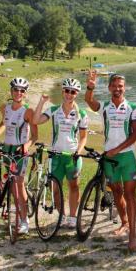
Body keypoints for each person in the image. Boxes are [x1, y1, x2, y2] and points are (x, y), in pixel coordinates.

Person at [85, 71, 136, 251]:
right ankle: (124, 222)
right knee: (116, 191)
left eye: (121, 86)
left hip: (126, 157)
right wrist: (90, 87)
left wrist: (117, 149)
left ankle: (133, 234)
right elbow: (89, 101)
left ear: (124, 88)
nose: (117, 89)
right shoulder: (104, 106)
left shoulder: (134, 108)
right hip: (109, 158)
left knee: (130, 195)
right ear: (109, 88)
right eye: (114, 86)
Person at [32, 78, 89, 228]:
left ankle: (72, 217)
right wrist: (41, 102)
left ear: (76, 94)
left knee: (74, 187)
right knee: (55, 189)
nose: (69, 94)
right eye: (67, 91)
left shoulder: (81, 113)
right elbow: (36, 120)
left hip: (72, 156)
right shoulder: (54, 110)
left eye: (73, 92)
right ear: (62, 91)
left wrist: (78, 151)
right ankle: (62, 216)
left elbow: (83, 137)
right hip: (56, 156)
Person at [0, 77, 38, 234]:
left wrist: (26, 145)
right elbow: (4, 123)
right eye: (15, 89)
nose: (18, 93)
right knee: (11, 185)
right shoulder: (6, 108)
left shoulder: (28, 111)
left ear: (25, 94)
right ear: (11, 91)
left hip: (20, 152)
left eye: (22, 90)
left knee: (18, 186)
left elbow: (35, 136)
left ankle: (24, 221)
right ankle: (16, 212)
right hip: (7, 149)